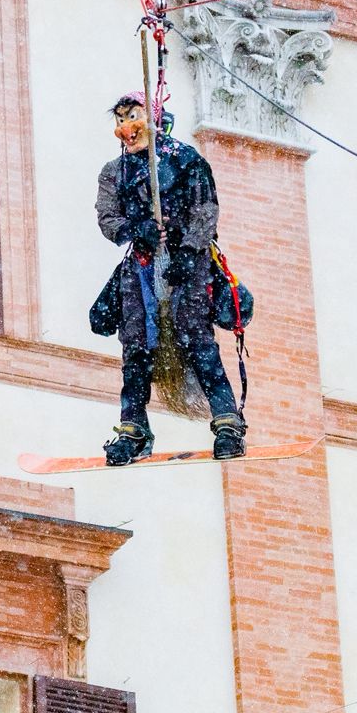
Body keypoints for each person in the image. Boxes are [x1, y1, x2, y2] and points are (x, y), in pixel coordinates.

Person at [95, 93, 246, 465]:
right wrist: (137, 228)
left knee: (198, 342)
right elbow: (107, 218)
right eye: (120, 119)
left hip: (186, 268)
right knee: (136, 351)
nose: (126, 128)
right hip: (142, 269)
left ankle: (227, 423)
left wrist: (190, 252)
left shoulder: (186, 160)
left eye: (133, 116)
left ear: (153, 117)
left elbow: (205, 210)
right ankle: (133, 429)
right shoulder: (115, 172)